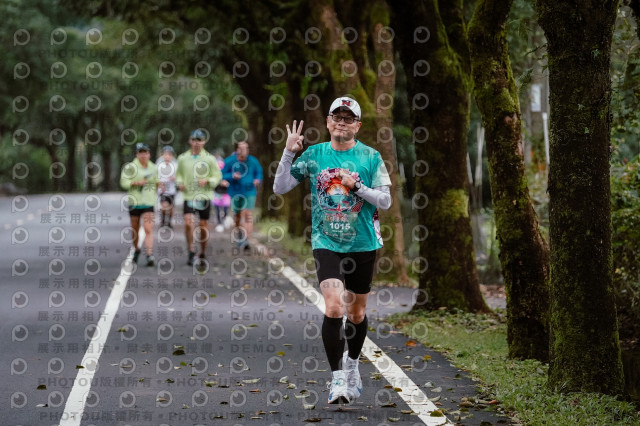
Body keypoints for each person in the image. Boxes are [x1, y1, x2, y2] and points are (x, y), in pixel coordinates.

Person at [273, 97, 392, 404]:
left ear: (357, 126)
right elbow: (281, 187)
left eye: (348, 118)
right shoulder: (314, 155)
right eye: (336, 116)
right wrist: (288, 152)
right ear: (327, 122)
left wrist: (357, 188)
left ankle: (353, 366)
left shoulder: (371, 156)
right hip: (326, 242)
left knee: (356, 312)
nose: (341, 121)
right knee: (334, 307)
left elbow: (385, 201)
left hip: (363, 243)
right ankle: (337, 379)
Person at [176, 129, 222, 267]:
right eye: (194, 140)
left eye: (199, 140)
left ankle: (202, 251)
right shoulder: (182, 158)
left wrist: (208, 181)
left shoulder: (210, 159)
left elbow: (217, 175)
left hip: (205, 196)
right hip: (189, 196)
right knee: (189, 223)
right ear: (190, 141)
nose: (196, 143)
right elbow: (178, 175)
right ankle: (191, 249)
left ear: (204, 142)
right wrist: (180, 183)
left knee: (203, 226)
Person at [120, 142, 158, 267]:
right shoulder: (130, 167)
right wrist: (136, 183)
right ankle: (136, 249)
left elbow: (156, 182)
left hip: (148, 202)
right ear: (137, 154)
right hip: (134, 202)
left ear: (149, 154)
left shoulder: (153, 168)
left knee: (148, 228)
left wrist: (158, 184)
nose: (143, 155)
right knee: (135, 228)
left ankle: (149, 255)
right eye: (140, 153)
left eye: (145, 153)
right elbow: (124, 183)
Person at [222, 141, 263, 251]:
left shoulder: (253, 161)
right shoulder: (230, 161)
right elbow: (222, 174)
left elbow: (259, 172)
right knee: (238, 216)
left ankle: (245, 239)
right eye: (241, 148)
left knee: (247, 213)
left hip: (249, 191)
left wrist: (257, 180)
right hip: (235, 192)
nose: (244, 151)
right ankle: (240, 234)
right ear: (237, 150)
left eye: (246, 148)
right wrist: (232, 176)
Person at [156, 145, 178, 228]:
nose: (167, 156)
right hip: (163, 190)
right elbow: (156, 177)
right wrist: (160, 184)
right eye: (165, 154)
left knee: (171, 207)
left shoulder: (175, 165)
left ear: (172, 156)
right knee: (164, 205)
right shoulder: (159, 164)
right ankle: (163, 220)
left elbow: (179, 178)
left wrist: (174, 178)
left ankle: (169, 222)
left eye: (169, 154)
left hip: (172, 189)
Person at [213, 152, 231, 233]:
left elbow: (230, 180)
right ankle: (219, 223)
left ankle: (224, 220)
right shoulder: (214, 172)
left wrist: (226, 183)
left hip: (225, 193)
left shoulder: (227, 172)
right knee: (217, 209)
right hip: (217, 193)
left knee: (225, 209)